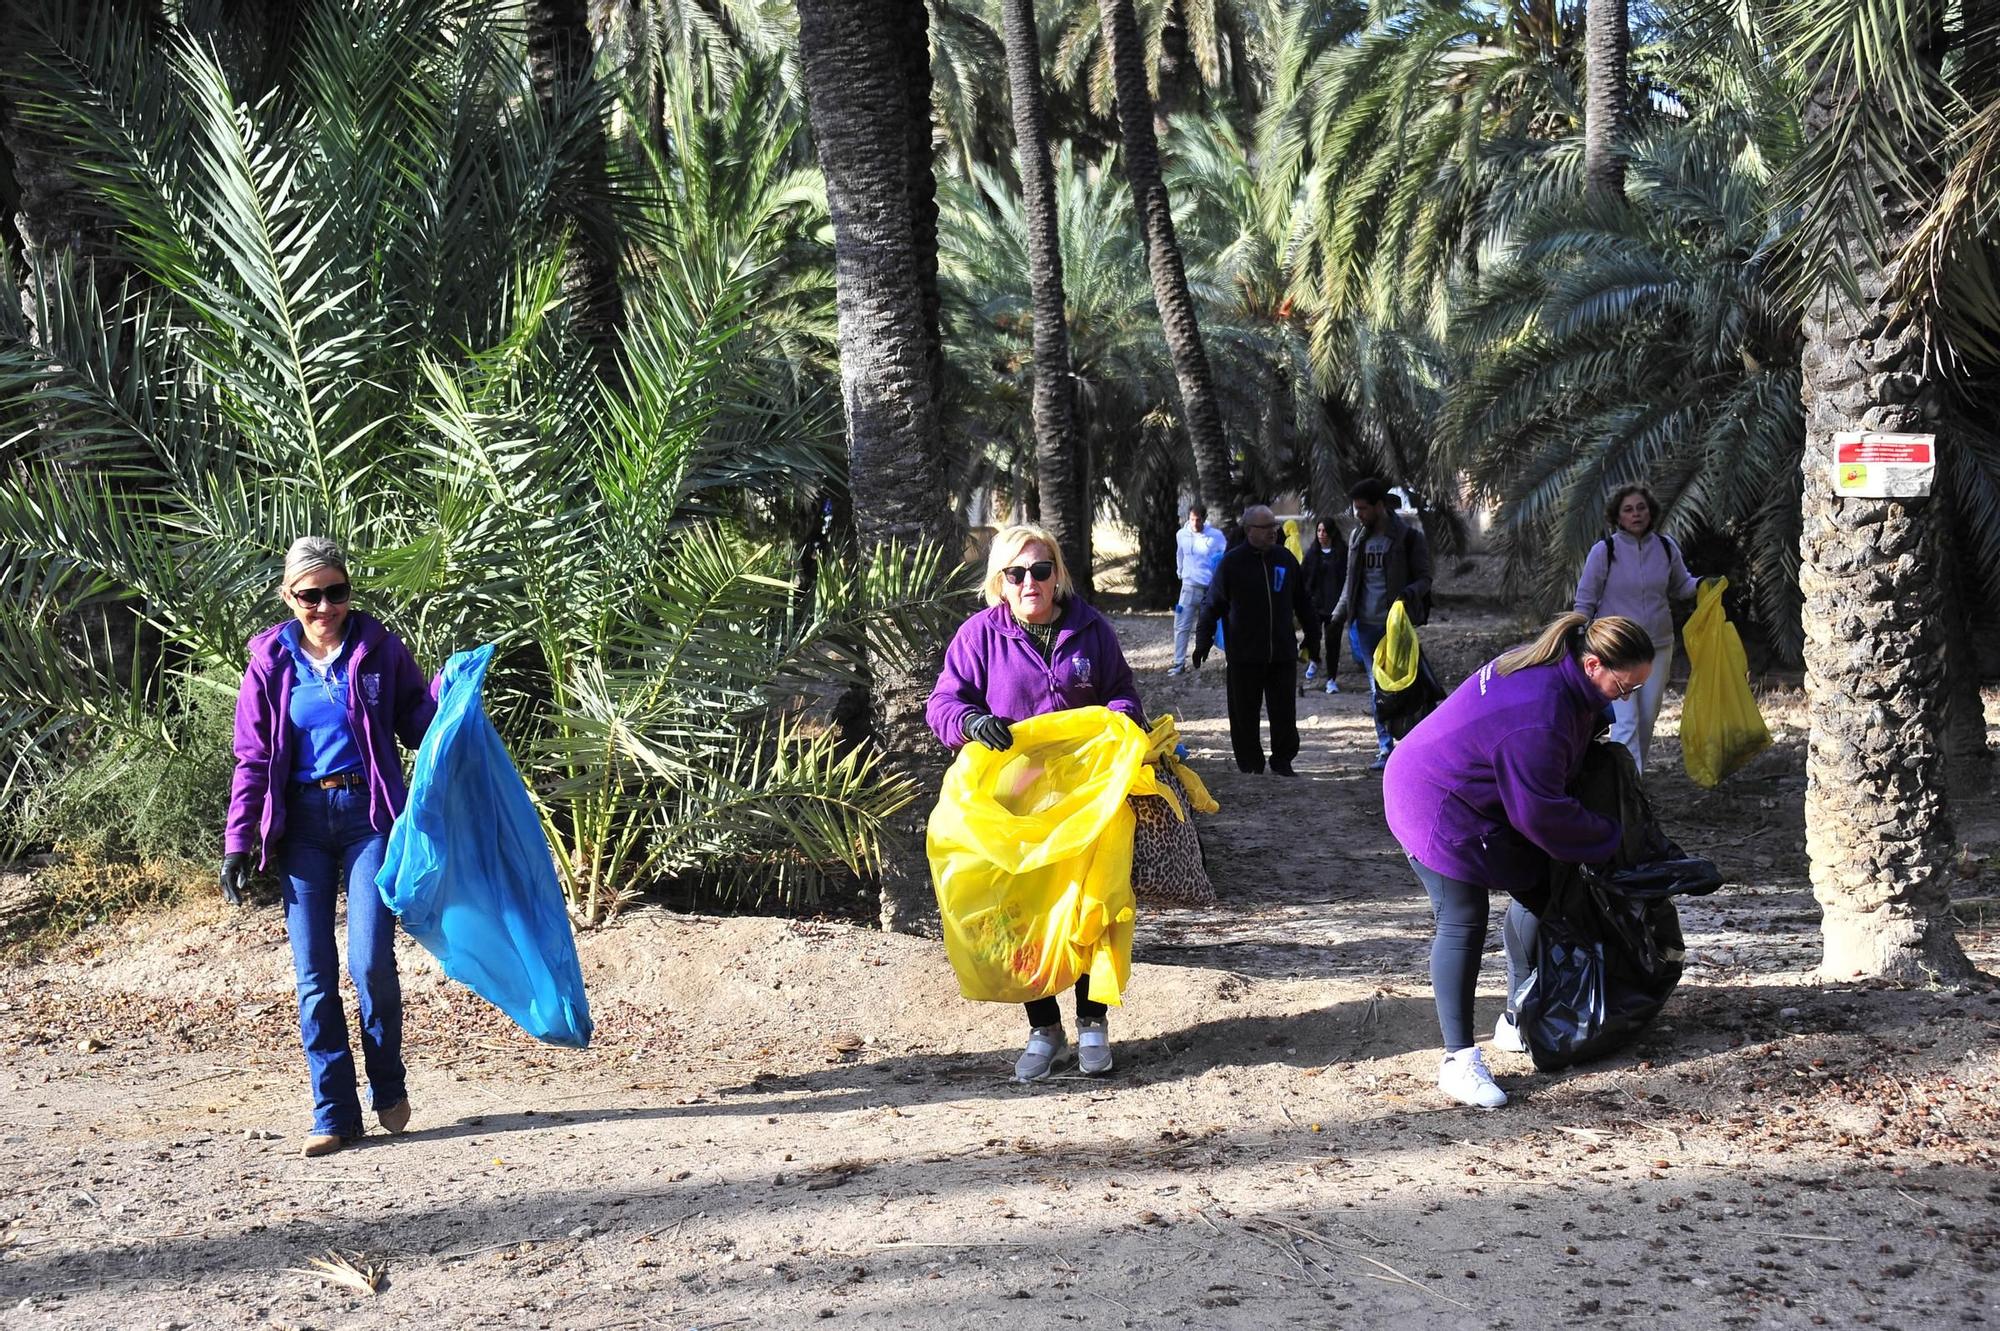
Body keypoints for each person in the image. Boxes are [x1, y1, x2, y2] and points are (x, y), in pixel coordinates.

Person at [1383, 613, 1657, 1109]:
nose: (1626, 697)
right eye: (1624, 686)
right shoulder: (1540, 710)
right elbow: (1541, 815)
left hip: (1476, 792)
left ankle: (1516, 1018)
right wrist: (1608, 838)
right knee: (1462, 916)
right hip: (1430, 799)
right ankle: (1458, 1061)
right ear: (1593, 663)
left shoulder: (1561, 673)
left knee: (1543, 890)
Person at [222, 537, 438, 1157]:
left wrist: (455, 708)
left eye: (335, 592)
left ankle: (387, 1083)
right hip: (304, 825)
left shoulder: (377, 650)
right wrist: (239, 842)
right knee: (314, 974)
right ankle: (334, 1112)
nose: (324, 606)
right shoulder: (270, 662)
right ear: (289, 598)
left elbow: (417, 720)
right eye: (310, 595)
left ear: (348, 592)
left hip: (369, 817)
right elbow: (253, 757)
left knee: (369, 960)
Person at [927, 524, 1144, 1083]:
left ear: (1058, 574)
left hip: (1086, 801)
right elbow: (943, 704)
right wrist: (972, 722)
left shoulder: (1090, 629)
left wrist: (1117, 719)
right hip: (1015, 806)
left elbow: (1121, 690)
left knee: (1089, 908)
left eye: (1041, 571)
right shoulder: (979, 636)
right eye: (1016, 573)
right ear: (1000, 580)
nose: (1030, 583)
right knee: (1026, 919)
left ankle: (1093, 1024)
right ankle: (1045, 1028)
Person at [1573, 484, 1699, 773]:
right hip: (1617, 650)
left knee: (1646, 720)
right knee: (1625, 721)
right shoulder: (1605, 551)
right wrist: (1578, 636)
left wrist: (1705, 584)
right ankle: (1627, 788)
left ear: (1650, 510)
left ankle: (1633, 781)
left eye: (1640, 507)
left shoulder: (1666, 548)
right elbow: (1586, 599)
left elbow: (1682, 585)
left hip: (1658, 647)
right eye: (1628, 509)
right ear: (1617, 516)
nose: (1636, 514)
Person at [1193, 505, 1317, 776]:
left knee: (1284, 711)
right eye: (1266, 527)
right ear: (1250, 530)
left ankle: (1283, 761)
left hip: (1282, 653)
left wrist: (1313, 637)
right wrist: (1202, 641)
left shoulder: (1285, 559)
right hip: (1244, 656)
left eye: (1274, 525)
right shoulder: (1232, 563)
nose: (1274, 531)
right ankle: (1251, 764)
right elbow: (1211, 604)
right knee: (1244, 713)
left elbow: (1303, 602)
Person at [1330, 477, 1432, 771]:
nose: (1358, 515)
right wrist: (1338, 616)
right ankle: (1386, 748)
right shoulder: (1357, 539)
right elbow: (1351, 583)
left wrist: (1408, 595)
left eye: (1363, 509)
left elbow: (1425, 578)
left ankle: (1409, 747)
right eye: (1355, 509)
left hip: (1397, 629)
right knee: (1377, 689)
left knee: (1403, 688)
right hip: (1365, 627)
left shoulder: (1408, 538)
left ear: (1379, 505)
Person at [1169, 503, 1226, 676]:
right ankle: (1179, 663)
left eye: (1198, 520)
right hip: (1188, 587)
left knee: (1221, 625)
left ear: (1204, 519)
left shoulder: (1215, 536)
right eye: (1192, 519)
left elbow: (1226, 555)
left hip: (1209, 588)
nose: (1195, 523)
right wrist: (1181, 573)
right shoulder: (1182, 535)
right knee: (1181, 625)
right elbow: (1180, 554)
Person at [1300, 517, 1347, 695]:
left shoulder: (1342, 553)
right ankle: (1314, 659)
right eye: (1319, 531)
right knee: (1312, 636)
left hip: (1335, 607)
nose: (1321, 535)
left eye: (1324, 531)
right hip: (1315, 605)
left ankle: (1331, 679)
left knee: (1332, 643)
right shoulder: (1312, 553)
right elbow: (1303, 577)